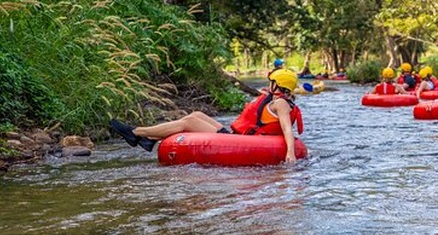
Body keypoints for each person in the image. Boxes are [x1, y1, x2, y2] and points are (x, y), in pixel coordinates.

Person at [110, 69, 304, 164]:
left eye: (272, 81)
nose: (269, 83)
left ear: (278, 85)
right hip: (239, 136)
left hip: (245, 141)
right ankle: (148, 140)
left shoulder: (280, 104)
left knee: (189, 121)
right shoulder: (275, 100)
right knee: (197, 114)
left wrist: (290, 153)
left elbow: (287, 129)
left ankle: (136, 133)